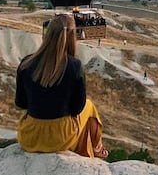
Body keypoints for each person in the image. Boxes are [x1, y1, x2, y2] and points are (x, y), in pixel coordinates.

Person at [15, 13, 107, 159]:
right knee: (89, 106)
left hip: (29, 136)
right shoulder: (74, 66)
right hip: (60, 138)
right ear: (72, 37)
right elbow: (77, 108)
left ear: (48, 34)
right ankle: (96, 149)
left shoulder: (26, 63)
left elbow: (20, 103)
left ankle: (92, 150)